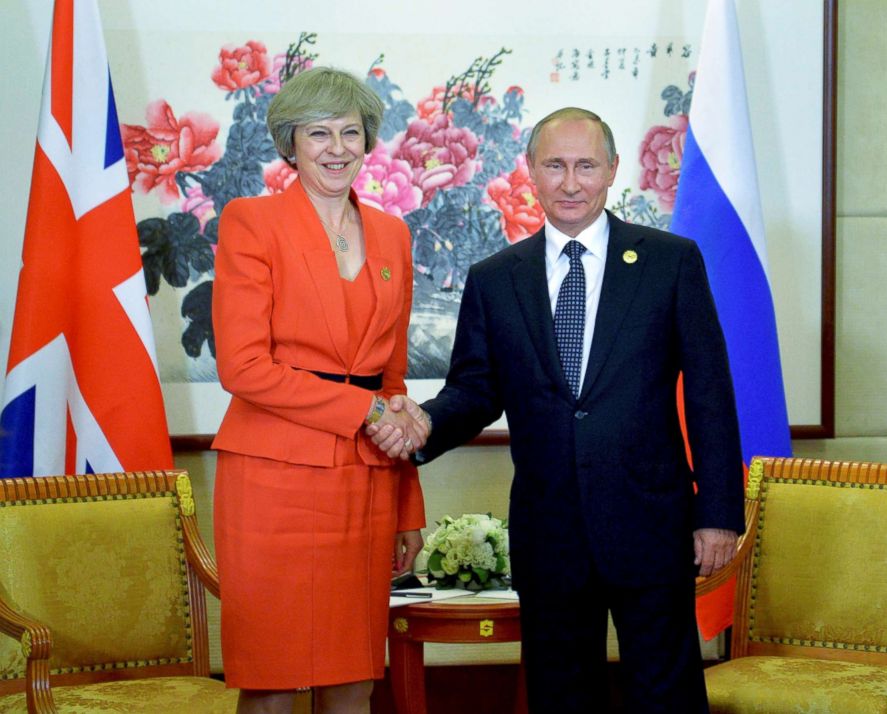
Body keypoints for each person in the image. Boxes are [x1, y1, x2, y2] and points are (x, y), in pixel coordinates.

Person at [369, 107, 745, 713]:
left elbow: (710, 395)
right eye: (555, 166)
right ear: (532, 174)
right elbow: (475, 389)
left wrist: (719, 513)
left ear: (613, 171)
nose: (571, 183)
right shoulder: (495, 279)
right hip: (550, 533)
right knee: (560, 696)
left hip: (651, 525)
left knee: (666, 693)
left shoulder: (670, 263)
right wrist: (427, 422)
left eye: (586, 166)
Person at [211, 66, 428, 714]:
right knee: (275, 682)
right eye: (318, 133)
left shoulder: (392, 233)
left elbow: (389, 382)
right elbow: (243, 368)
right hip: (272, 486)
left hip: (364, 488)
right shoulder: (252, 222)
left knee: (354, 681)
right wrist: (362, 408)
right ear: (290, 143)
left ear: (368, 142)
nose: (337, 148)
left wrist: (408, 505)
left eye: (351, 133)